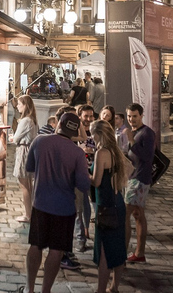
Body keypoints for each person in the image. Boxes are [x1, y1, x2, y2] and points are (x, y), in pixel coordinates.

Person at [21, 113, 91, 293]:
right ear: (75, 130)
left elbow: (29, 168)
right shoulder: (77, 153)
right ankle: (46, 290)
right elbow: (83, 184)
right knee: (56, 250)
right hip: (64, 207)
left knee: (35, 245)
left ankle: (30, 289)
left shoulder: (40, 141)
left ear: (58, 123)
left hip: (40, 203)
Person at [89, 120, 127, 293]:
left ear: (99, 134)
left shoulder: (102, 152)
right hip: (118, 203)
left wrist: (84, 170)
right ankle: (115, 286)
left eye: (92, 133)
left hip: (105, 205)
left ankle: (100, 290)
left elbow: (97, 181)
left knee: (104, 250)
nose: (91, 136)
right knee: (118, 248)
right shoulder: (116, 151)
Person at [123, 103, 156, 263]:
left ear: (141, 115)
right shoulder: (134, 132)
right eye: (129, 116)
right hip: (132, 177)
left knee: (126, 214)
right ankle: (139, 253)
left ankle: (122, 252)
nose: (131, 119)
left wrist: (131, 141)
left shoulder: (147, 133)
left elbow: (147, 156)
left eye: (134, 116)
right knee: (138, 215)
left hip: (139, 179)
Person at [12, 95, 38, 223]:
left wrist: (12, 137)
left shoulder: (25, 121)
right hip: (29, 150)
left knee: (24, 185)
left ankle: (28, 214)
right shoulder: (32, 120)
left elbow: (16, 138)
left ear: (25, 105)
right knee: (28, 184)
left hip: (23, 151)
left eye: (19, 104)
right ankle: (31, 211)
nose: (17, 106)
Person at [75, 104, 96, 252]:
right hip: (80, 172)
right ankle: (81, 237)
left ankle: (88, 228)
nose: (88, 119)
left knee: (93, 203)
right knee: (80, 206)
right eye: (85, 116)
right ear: (80, 116)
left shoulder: (96, 131)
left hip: (95, 171)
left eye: (91, 116)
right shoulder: (76, 132)